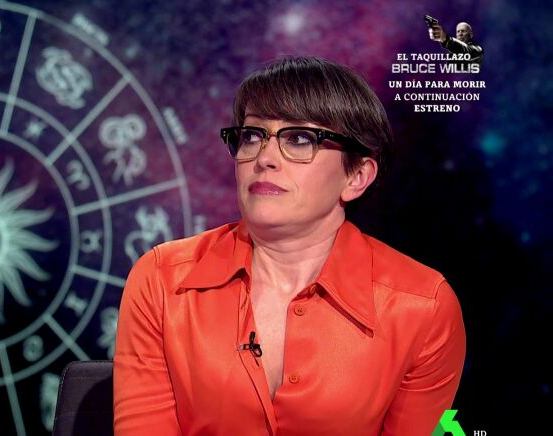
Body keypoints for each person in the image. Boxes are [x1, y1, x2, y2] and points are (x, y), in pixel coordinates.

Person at [113, 56, 466, 435]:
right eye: (252, 136)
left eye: (299, 139)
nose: (265, 159)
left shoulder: (423, 307)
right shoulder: (162, 280)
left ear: (357, 176)